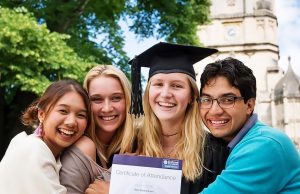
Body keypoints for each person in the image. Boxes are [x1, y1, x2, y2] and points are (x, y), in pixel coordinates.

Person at [129, 42, 229, 194]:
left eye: (177, 86)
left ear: (191, 96)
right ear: (148, 91)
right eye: (158, 84)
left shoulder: (215, 153)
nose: (165, 93)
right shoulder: (131, 143)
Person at [198, 57, 300, 193]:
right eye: (206, 100)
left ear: (250, 105)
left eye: (228, 100)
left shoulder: (266, 145)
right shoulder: (229, 143)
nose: (214, 110)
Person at [0, 79, 92, 194]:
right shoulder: (33, 151)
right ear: (42, 114)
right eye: (63, 111)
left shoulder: (45, 151)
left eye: (81, 115)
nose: (72, 122)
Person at [60, 65, 136, 194]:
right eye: (97, 99)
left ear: (128, 100)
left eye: (116, 98)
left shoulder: (141, 144)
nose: (107, 108)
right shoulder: (79, 146)